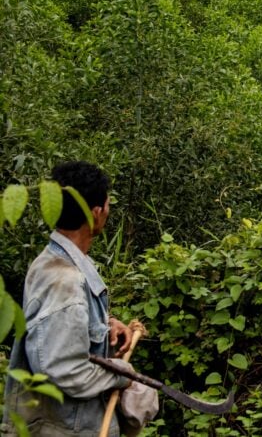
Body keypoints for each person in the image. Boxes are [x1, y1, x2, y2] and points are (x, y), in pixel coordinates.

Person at [2, 161, 155, 436]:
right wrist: (122, 374)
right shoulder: (66, 282)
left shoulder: (54, 262)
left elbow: (56, 325)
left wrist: (104, 324)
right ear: (96, 213)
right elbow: (64, 369)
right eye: (107, 205)